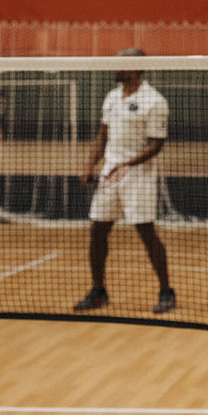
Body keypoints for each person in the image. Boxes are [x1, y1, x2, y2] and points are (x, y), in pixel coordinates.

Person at [74, 48, 176, 315]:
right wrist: (90, 164)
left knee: (145, 231)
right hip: (110, 174)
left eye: (119, 63)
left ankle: (166, 291)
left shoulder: (154, 101)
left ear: (134, 67)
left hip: (138, 175)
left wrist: (128, 164)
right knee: (97, 229)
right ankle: (98, 291)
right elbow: (102, 136)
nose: (113, 67)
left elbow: (156, 145)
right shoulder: (111, 97)